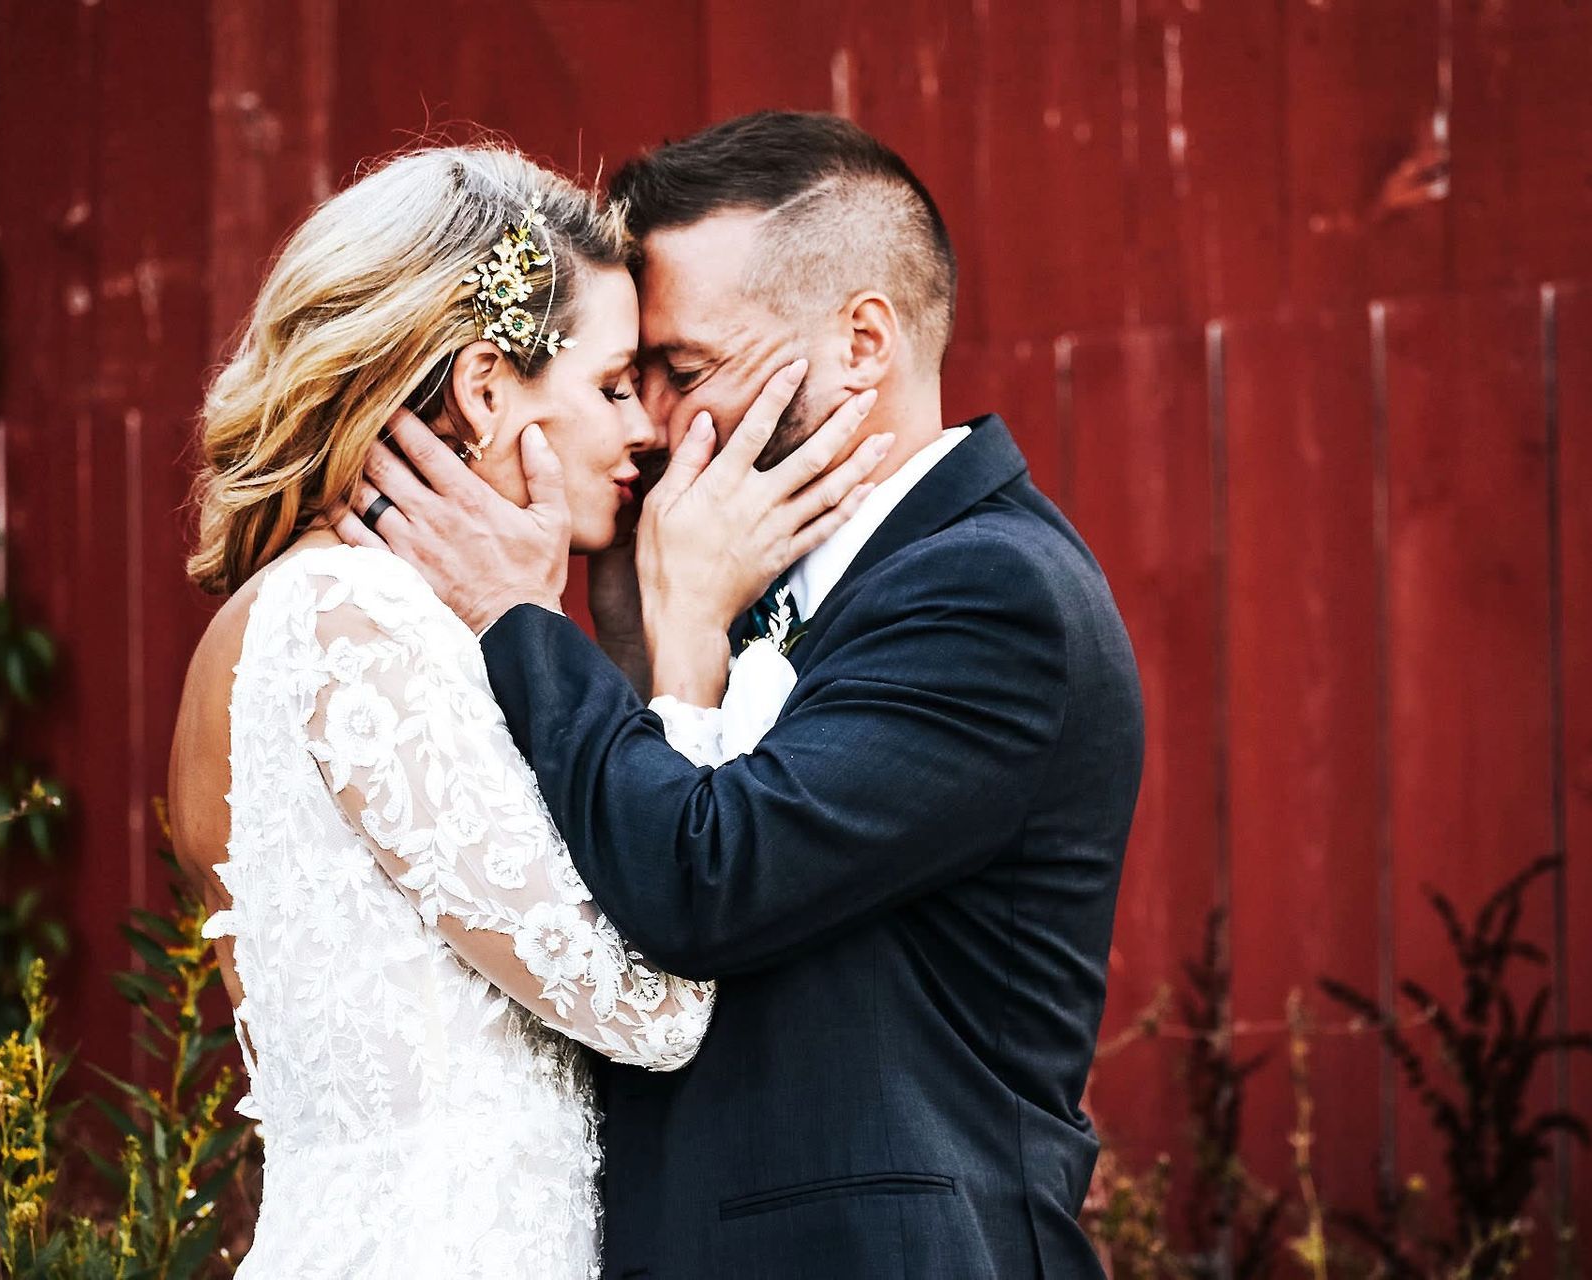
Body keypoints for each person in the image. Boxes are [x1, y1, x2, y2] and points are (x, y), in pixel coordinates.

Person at [344, 111, 1145, 1279]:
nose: (656, 425)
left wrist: (528, 618)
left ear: (863, 341)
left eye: (686, 370)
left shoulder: (992, 592)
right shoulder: (751, 580)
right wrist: (633, 641)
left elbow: (703, 882)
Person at [165, 143, 878, 1278]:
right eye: (607, 385)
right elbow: (652, 1004)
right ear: (487, 389)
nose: (644, 427)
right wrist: (687, 646)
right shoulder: (355, 618)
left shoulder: (296, 615)